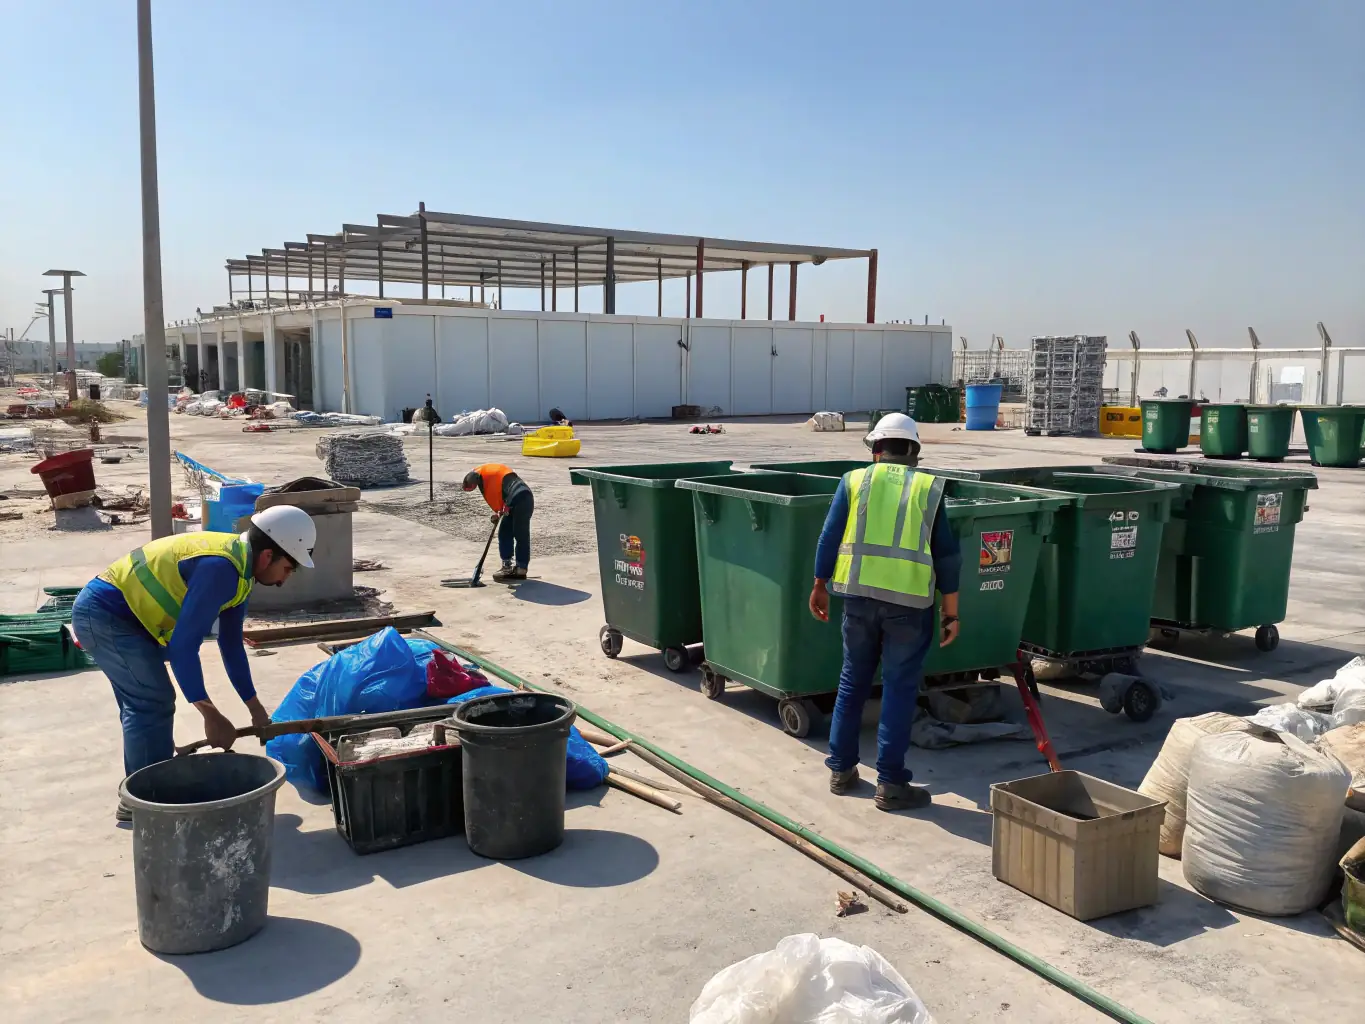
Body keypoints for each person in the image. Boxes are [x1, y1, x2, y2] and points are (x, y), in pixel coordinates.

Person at [71, 506, 316, 821]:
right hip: (106, 616)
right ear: (268, 556)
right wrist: (211, 715)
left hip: (130, 620)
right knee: (152, 703)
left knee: (145, 705)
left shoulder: (241, 572)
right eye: (288, 568)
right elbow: (183, 649)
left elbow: (231, 645)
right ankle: (144, 805)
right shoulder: (221, 569)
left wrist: (255, 709)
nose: (286, 579)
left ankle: (144, 794)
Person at [808, 413, 962, 812]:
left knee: (852, 682)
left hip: (857, 600)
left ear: (876, 450)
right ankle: (891, 785)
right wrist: (951, 612)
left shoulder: (853, 481)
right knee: (898, 689)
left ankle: (841, 771)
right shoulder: (929, 487)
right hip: (909, 607)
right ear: (913, 450)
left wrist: (820, 585)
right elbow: (946, 553)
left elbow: (829, 536)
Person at [462, 463, 534, 581]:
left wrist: (499, 512)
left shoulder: (487, 476)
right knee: (517, 534)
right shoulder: (489, 472)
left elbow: (498, 494)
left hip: (516, 498)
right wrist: (499, 512)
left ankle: (509, 567)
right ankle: (520, 568)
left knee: (511, 533)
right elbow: (500, 494)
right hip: (525, 496)